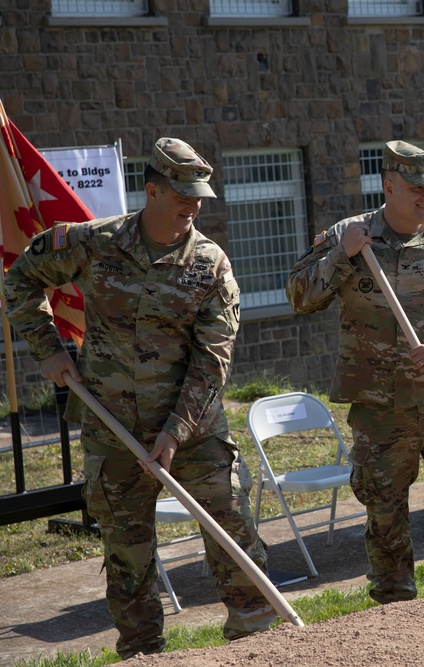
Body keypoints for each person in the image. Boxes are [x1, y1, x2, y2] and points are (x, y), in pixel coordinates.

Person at [3, 138, 275, 659]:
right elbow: (21, 278)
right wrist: (48, 348)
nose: (193, 209)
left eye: (199, 199)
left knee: (230, 522)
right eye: (183, 198)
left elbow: (212, 361)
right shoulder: (95, 242)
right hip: (113, 428)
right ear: (152, 191)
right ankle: (143, 651)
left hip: (193, 430)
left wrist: (174, 432)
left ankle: (256, 635)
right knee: (127, 556)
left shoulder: (211, 265)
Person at [286, 140, 424, 604]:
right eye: (417, 187)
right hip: (380, 408)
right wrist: (343, 255)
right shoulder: (350, 234)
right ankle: (394, 616)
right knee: (385, 517)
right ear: (389, 185)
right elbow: (300, 296)